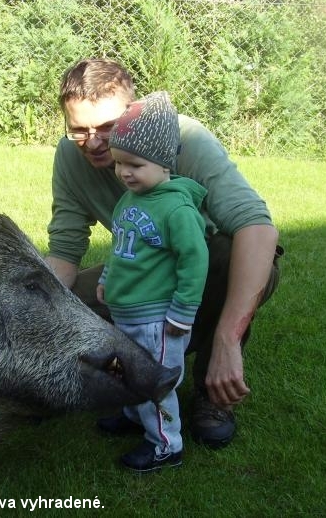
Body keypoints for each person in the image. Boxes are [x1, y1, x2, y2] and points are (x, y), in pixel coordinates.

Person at [46, 58, 283, 449]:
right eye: (79, 130)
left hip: (201, 267)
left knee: (228, 256)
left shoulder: (185, 139)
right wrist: (35, 316)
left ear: (133, 110)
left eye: (107, 127)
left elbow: (258, 229)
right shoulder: (70, 156)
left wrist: (226, 339)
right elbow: (64, 250)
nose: (94, 142)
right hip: (140, 266)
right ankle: (131, 385)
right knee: (61, 306)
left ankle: (212, 389)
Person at [97, 91, 208, 471]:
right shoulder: (130, 199)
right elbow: (120, 245)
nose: (124, 172)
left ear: (164, 164)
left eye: (135, 164)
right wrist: (107, 277)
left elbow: (194, 261)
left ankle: (165, 445)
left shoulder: (176, 209)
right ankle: (135, 415)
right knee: (129, 371)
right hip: (127, 313)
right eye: (118, 163)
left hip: (157, 321)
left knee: (154, 381)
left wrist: (182, 313)